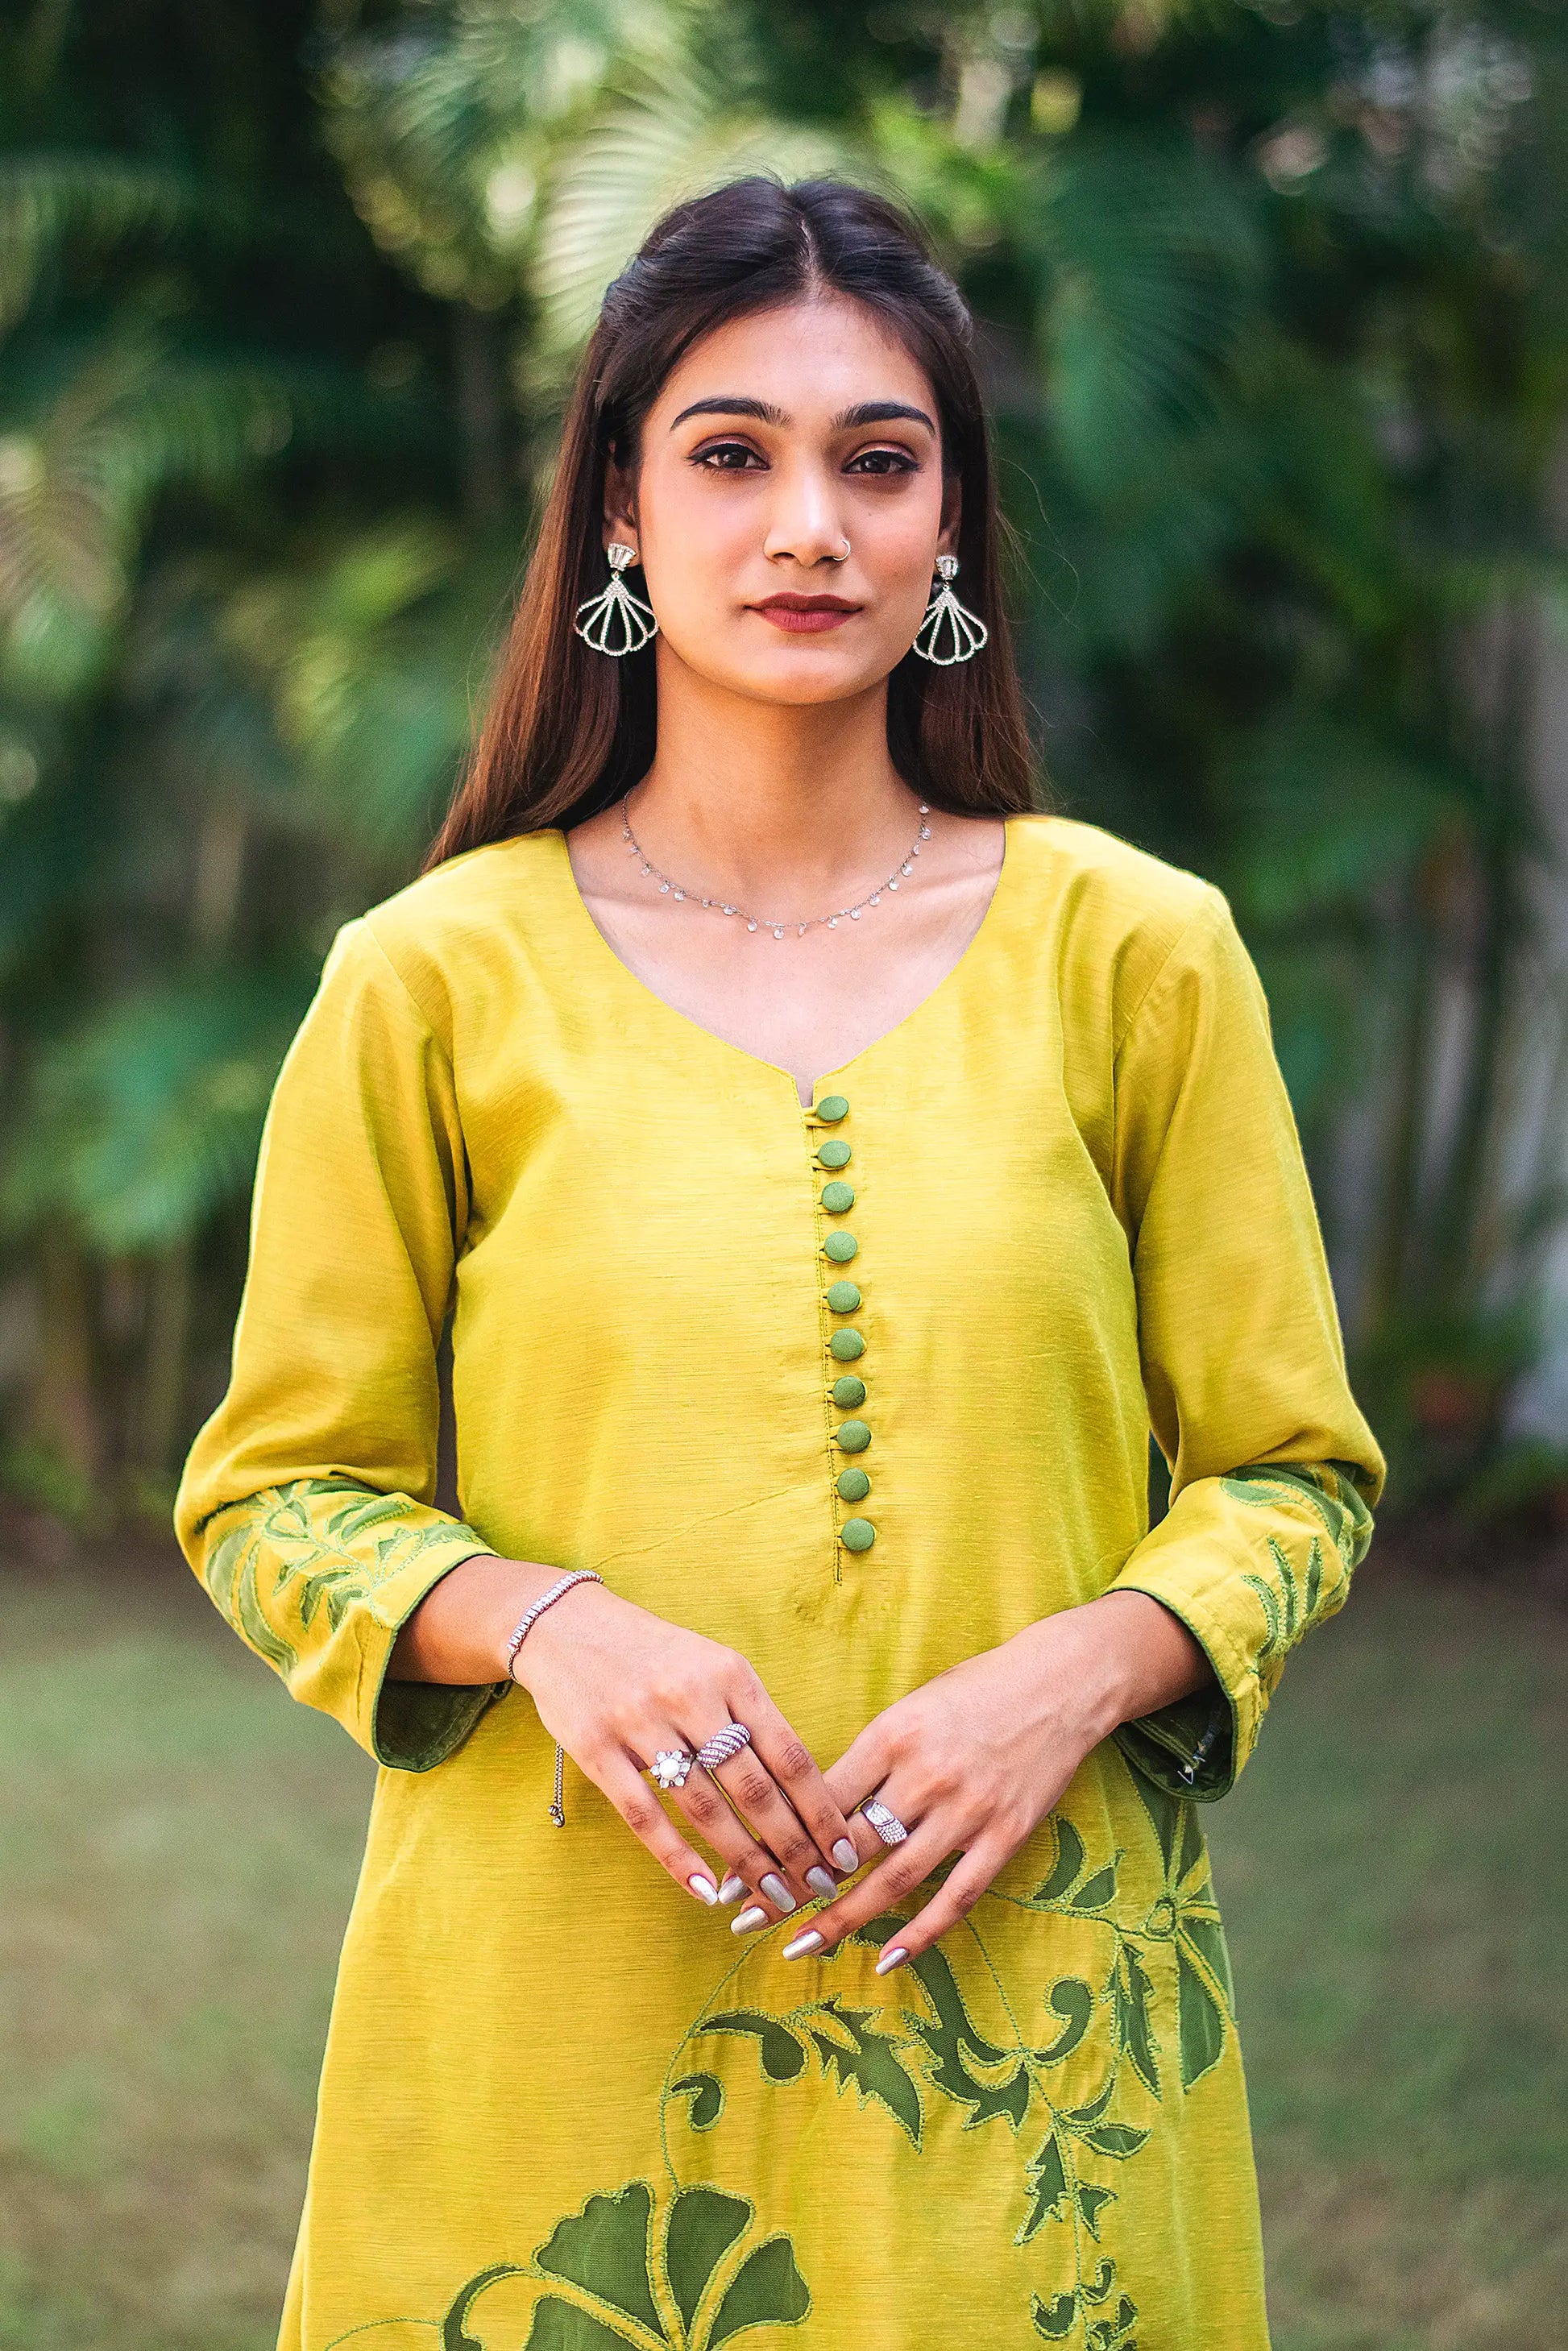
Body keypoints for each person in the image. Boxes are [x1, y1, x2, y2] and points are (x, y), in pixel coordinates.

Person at [175, 175, 1384, 2351]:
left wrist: (1083, 1669)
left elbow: (1294, 1473)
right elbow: (275, 1498)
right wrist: (551, 1629)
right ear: (621, 518)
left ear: (948, 530)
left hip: (1030, 2017)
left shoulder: (1137, 956)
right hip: (549, 2021)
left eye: (877, 457)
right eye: (730, 453)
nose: (806, 520)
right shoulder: (432, 981)